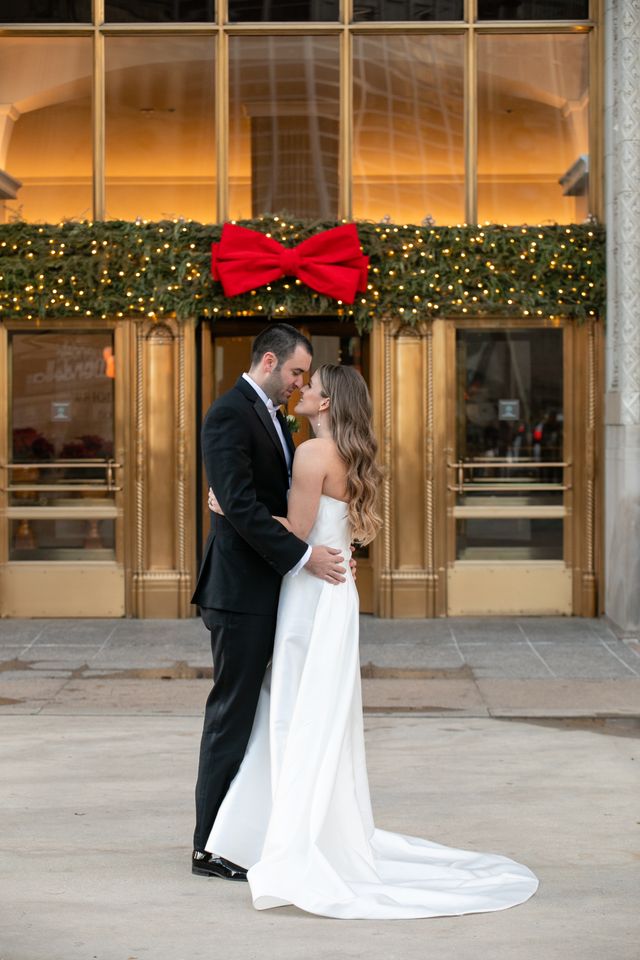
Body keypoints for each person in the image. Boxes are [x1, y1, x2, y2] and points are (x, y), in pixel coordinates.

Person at [205, 363, 539, 919]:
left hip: (311, 595)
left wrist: (233, 509)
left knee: (299, 710)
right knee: (319, 711)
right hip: (333, 595)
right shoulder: (341, 453)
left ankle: (296, 834)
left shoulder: (314, 455)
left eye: (310, 387)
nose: (302, 391)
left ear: (328, 402)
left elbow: (296, 529)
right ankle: (307, 824)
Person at [191, 325, 347, 881]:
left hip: (269, 589)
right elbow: (237, 503)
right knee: (232, 714)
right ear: (270, 361)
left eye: (305, 377)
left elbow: (254, 501)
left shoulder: (276, 419)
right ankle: (208, 847)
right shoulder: (229, 413)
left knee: (262, 714)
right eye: (297, 373)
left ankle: (247, 833)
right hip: (239, 592)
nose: (299, 384)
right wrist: (306, 557)